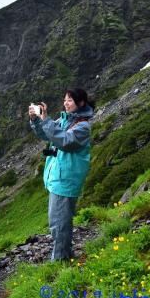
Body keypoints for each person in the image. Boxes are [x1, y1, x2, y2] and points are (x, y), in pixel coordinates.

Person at [29, 88, 94, 261]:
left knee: (59, 222)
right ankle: (65, 254)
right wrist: (36, 120)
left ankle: (60, 261)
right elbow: (46, 133)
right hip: (58, 177)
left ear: (80, 103)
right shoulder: (64, 120)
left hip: (66, 179)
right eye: (65, 100)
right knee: (59, 220)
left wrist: (46, 120)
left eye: (70, 100)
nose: (65, 103)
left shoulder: (83, 126)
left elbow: (64, 141)